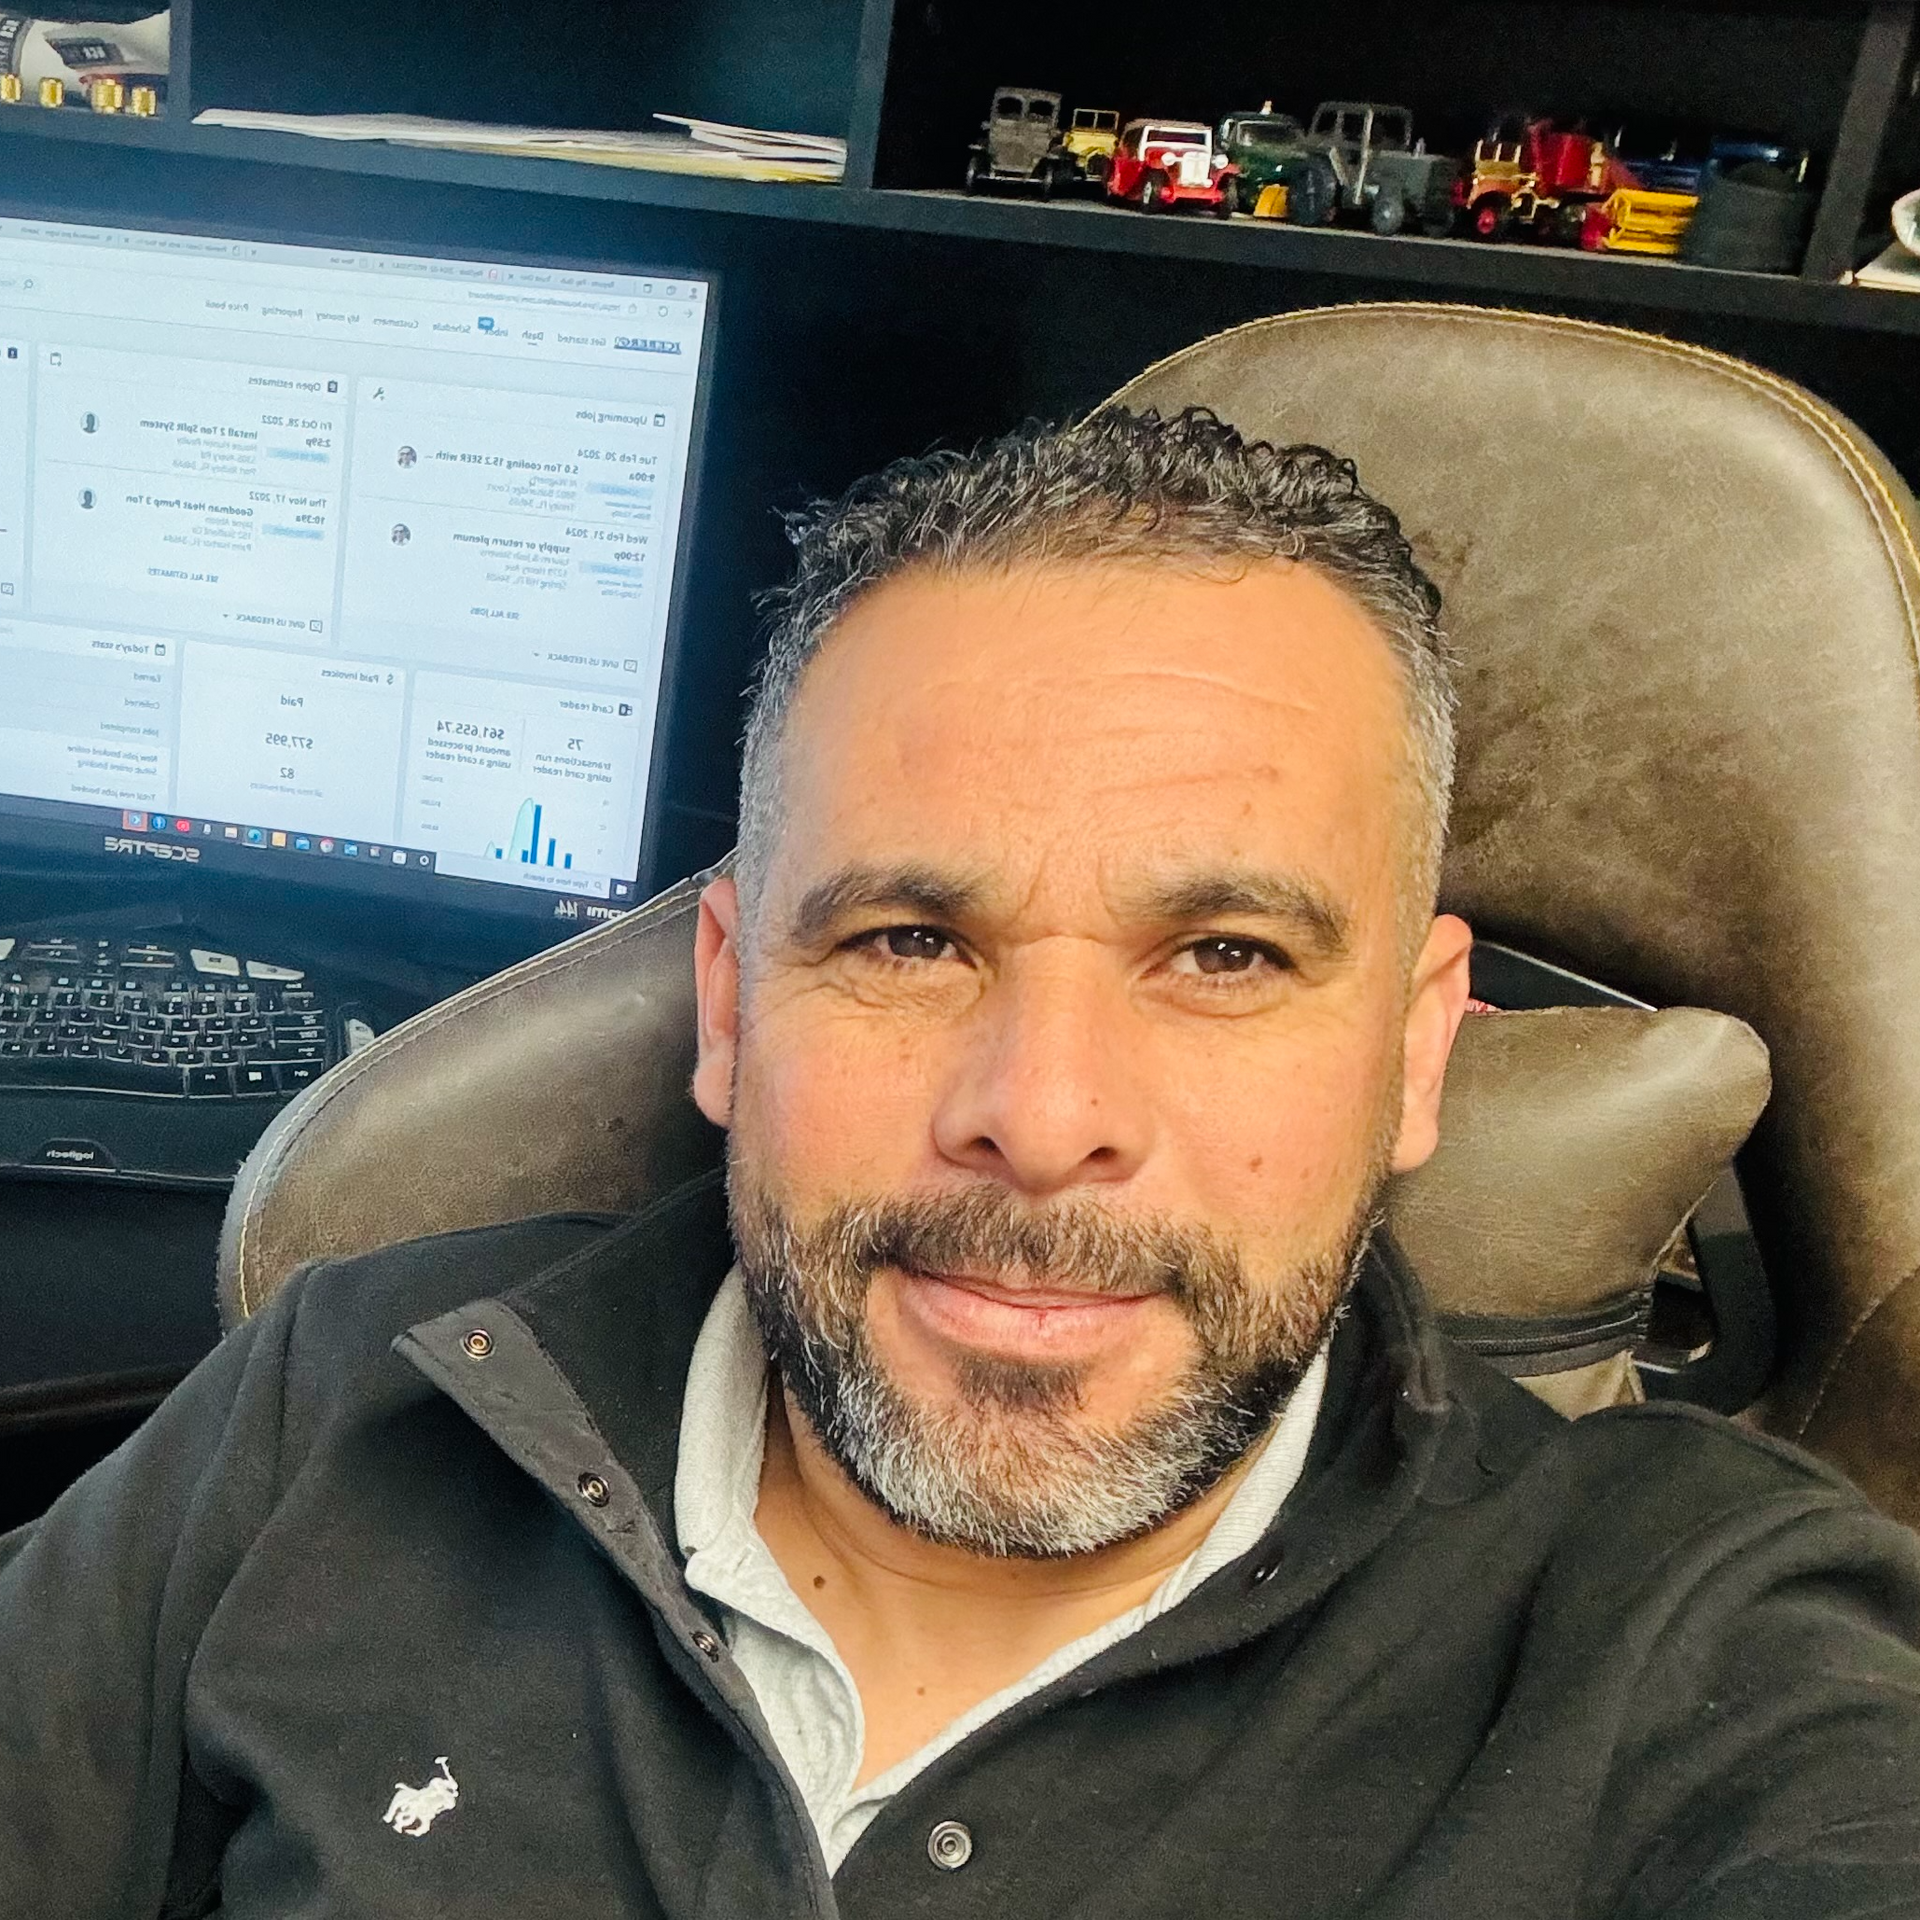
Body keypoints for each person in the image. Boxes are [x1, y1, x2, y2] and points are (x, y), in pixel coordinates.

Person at [3, 408, 1919, 1915]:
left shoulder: (1700, 1649)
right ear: (733, 1003)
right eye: (912, 941)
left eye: (1226, 957)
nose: (1044, 1112)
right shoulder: (336, 1407)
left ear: (1415, 1050)